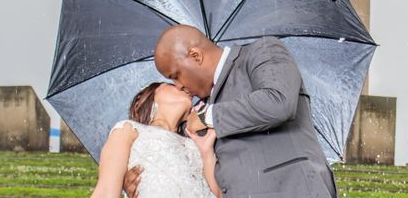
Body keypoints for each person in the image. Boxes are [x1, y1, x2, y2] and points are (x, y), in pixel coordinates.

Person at [124, 24, 337, 198]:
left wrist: (207, 116)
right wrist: (138, 181)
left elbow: (278, 102)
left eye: (175, 75)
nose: (178, 86)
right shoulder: (193, 113)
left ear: (196, 56)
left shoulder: (263, 51)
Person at [91, 81, 222, 198]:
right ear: (149, 98)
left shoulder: (196, 142)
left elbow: (217, 194)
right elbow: (105, 191)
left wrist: (206, 152)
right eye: (171, 84)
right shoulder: (128, 130)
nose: (181, 85)